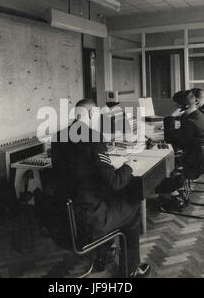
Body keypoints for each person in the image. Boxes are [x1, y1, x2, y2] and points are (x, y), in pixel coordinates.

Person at [50, 99, 151, 278]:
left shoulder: (57, 137)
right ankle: (131, 269)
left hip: (64, 218)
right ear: (90, 114)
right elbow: (114, 183)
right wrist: (129, 166)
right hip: (89, 220)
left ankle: (103, 254)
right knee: (133, 206)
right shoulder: (93, 137)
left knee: (111, 202)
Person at [157, 90, 204, 211]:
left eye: (176, 105)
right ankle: (177, 193)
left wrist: (171, 117)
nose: (174, 107)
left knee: (158, 168)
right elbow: (183, 137)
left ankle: (175, 198)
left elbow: (170, 139)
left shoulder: (191, 122)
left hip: (191, 163)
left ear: (184, 106)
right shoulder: (198, 115)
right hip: (197, 159)